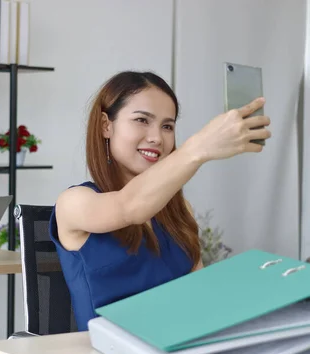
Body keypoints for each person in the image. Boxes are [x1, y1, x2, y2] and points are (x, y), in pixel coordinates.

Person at [49, 71, 270, 331]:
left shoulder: (177, 212)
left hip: (176, 353)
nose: (156, 137)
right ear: (105, 126)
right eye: (142, 120)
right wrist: (198, 148)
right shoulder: (74, 203)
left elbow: (199, 299)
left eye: (167, 126)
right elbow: (129, 207)